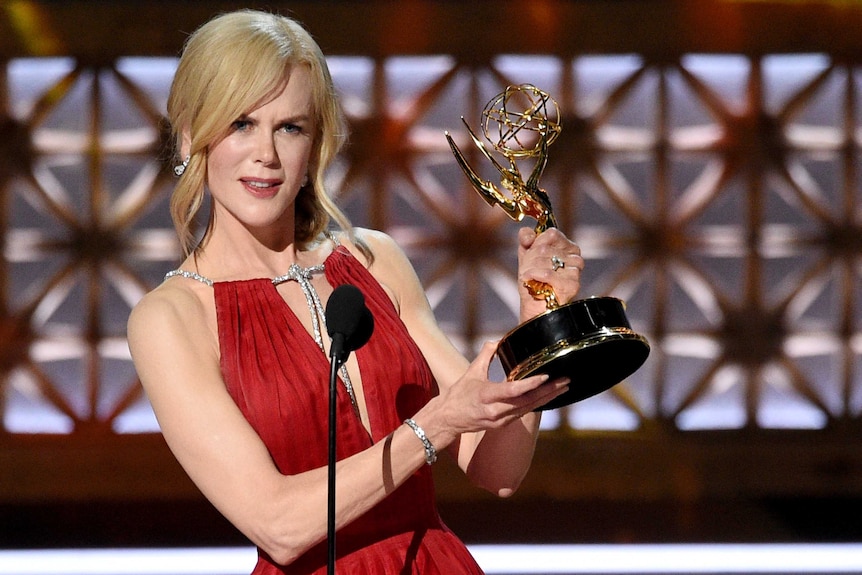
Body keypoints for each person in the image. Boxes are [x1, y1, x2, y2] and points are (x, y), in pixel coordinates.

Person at [127, 9, 585, 575]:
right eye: (241, 124)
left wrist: (541, 311)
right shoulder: (171, 318)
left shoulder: (374, 261)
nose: (266, 153)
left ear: (314, 144)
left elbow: (499, 471)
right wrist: (438, 425)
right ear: (193, 135)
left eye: (290, 127)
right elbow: (279, 525)